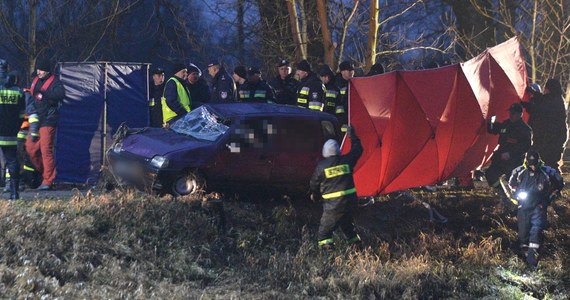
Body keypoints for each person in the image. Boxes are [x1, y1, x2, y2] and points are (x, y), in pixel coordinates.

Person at [310, 126, 363, 250]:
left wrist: (315, 196)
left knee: (324, 234)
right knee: (347, 226)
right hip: (351, 203)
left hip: (333, 206)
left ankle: (329, 259)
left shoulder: (321, 166)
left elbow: (314, 184)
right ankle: (358, 248)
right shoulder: (347, 161)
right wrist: (352, 135)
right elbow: (358, 149)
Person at [508, 151, 564, 270]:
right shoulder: (519, 172)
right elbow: (512, 184)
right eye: (531, 164)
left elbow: (559, 183)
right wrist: (516, 193)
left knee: (536, 229)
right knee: (523, 231)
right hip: (523, 205)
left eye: (535, 164)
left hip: (539, 205)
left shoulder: (547, 171)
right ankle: (523, 254)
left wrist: (550, 196)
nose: (533, 167)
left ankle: (533, 257)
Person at [25, 58, 65, 191]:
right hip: (36, 120)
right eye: (38, 69)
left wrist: (44, 93)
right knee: (30, 147)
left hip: (48, 119)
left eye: (41, 69)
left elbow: (60, 94)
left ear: (48, 70)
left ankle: (48, 180)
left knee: (45, 150)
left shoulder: (55, 81)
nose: (39, 72)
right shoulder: (35, 80)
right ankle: (44, 173)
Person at [485, 103, 532, 205]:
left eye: (513, 113)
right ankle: (503, 195)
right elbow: (493, 129)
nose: (511, 115)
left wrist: (510, 154)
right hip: (501, 158)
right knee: (490, 174)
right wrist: (490, 122)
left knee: (516, 184)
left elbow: (526, 146)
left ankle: (521, 204)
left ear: (520, 114)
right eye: (510, 113)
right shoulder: (506, 124)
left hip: (515, 161)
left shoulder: (525, 129)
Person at [522, 79, 568, 173]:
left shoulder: (554, 102)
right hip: (554, 137)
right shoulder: (557, 99)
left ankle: (555, 182)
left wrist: (524, 104)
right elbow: (543, 99)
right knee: (546, 160)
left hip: (553, 138)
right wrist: (533, 93)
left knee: (549, 161)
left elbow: (539, 109)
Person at [0, 60, 25, 199]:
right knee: (12, 160)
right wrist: (15, 128)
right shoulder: (18, 91)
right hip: (10, 132)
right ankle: (15, 194)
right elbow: (22, 114)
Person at [335, 61, 354, 132]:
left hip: (351, 119)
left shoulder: (354, 84)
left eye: (352, 70)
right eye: (349, 70)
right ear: (342, 72)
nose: (351, 72)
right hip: (340, 120)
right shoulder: (336, 85)